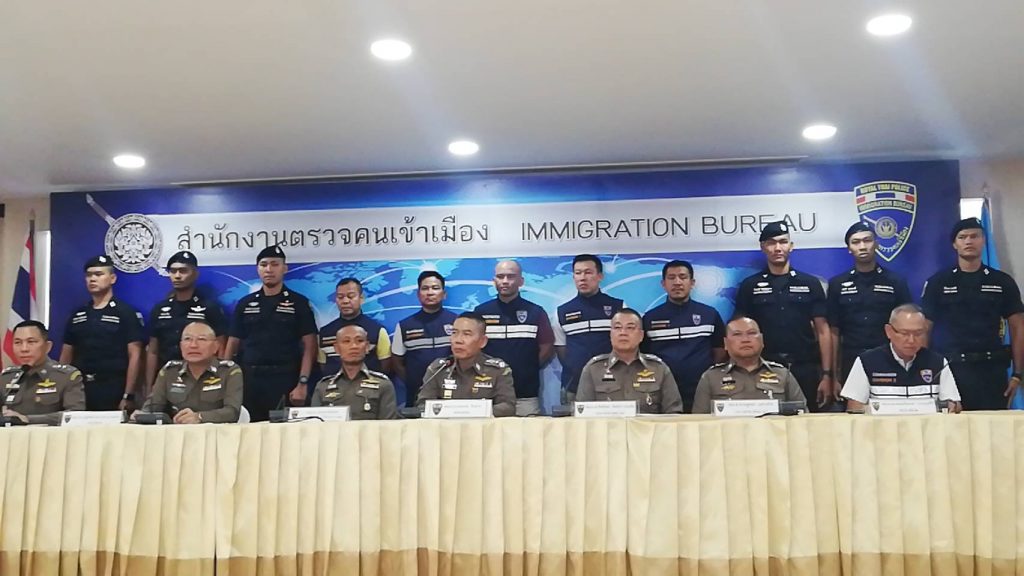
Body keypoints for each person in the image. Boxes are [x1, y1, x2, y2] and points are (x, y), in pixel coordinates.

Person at [921, 217, 1024, 410]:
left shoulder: (1002, 282)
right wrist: (924, 371)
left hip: (992, 371)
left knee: (992, 426)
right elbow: (924, 329)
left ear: (983, 241)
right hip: (951, 370)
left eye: (974, 236)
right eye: (962, 237)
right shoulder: (938, 282)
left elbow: (1018, 327)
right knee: (951, 427)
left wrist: (1018, 374)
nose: (969, 241)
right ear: (954, 244)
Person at [734, 221, 834, 411]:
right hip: (764, 368)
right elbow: (739, 331)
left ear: (791, 246)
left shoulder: (810, 283)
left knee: (807, 422)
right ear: (763, 247)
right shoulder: (750, 286)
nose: (778, 248)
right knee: (766, 421)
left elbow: (823, 331)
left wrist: (827, 375)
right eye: (771, 243)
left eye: (783, 242)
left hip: (805, 368)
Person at [224, 246, 317, 422]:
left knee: (284, 433)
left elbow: (310, 345)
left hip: (285, 379)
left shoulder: (298, 303)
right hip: (250, 380)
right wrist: (225, 381)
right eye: (264, 264)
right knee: (250, 431)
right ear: (257, 269)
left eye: (275, 264)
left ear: (285, 268)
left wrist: (302, 383)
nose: (268, 269)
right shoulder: (245, 303)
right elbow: (232, 344)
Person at [827, 222, 913, 383]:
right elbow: (834, 331)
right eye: (856, 242)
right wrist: (833, 375)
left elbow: (907, 326)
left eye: (867, 240)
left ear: (876, 244)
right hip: (851, 359)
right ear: (849, 248)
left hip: (888, 358)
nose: (862, 246)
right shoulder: (837, 284)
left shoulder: (895, 281)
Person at [59, 254, 145, 411]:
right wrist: (60, 390)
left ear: (112, 278)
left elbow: (135, 356)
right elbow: (66, 355)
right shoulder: (78, 314)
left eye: (98, 274)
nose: (92, 279)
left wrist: (128, 395)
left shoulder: (125, 312)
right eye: (89, 275)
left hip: (112, 387)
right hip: (79, 387)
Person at [841, 304, 961, 412]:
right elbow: (854, 408)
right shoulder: (867, 361)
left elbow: (954, 406)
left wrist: (952, 405)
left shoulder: (938, 362)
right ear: (888, 331)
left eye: (918, 333)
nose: (911, 340)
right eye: (904, 333)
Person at [642, 260, 726, 412]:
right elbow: (645, 356)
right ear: (663, 284)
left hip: (702, 388)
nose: (677, 282)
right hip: (662, 390)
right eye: (671, 278)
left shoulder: (709, 315)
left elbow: (720, 351)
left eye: (683, 277)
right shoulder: (650, 318)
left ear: (692, 282)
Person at [474, 260, 554, 416]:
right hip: (489, 395)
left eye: (510, 276)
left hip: (525, 395)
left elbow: (547, 346)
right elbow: (474, 348)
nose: (505, 281)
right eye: (500, 276)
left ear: (521, 281)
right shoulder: (480, 312)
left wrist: (528, 367)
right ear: (494, 281)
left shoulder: (536, 312)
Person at [145, 251, 228, 392]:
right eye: (173, 271)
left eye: (183, 271)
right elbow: (153, 351)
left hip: (200, 378)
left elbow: (220, 349)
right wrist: (149, 386)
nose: (177, 276)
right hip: (166, 379)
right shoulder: (159, 309)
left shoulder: (210, 308)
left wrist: (218, 381)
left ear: (195, 274)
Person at [576, 308, 683, 414]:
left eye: (630, 328)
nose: (623, 333)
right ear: (610, 334)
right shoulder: (593, 369)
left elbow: (674, 413)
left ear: (641, 336)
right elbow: (581, 414)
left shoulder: (659, 369)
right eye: (617, 327)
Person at [135, 321, 244, 423]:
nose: (193, 345)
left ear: (216, 346)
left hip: (216, 434)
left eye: (201, 339)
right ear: (181, 346)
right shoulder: (170, 371)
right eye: (187, 339)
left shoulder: (229, 371)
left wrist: (199, 417)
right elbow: (153, 407)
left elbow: (232, 412)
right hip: (176, 433)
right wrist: (142, 415)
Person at [692, 316, 807, 413]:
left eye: (752, 333)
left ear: (762, 340)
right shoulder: (711, 378)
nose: (745, 339)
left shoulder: (783, 375)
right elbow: (698, 423)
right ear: (725, 343)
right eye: (737, 334)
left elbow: (803, 416)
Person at [553, 254, 624, 405]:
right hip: (574, 386)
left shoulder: (619, 307)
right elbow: (562, 350)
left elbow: (627, 346)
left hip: (613, 385)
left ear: (600, 276)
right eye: (578, 273)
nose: (582, 278)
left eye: (588, 272)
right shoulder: (561, 312)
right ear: (573, 277)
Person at [417, 312, 516, 417]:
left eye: (467, 334)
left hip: (482, 427)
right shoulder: (438, 369)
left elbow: (508, 407)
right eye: (454, 333)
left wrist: (471, 411)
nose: (458, 340)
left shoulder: (497, 370)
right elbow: (422, 406)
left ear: (482, 341)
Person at [391, 271, 458, 407]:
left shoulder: (457, 322)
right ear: (418, 294)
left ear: (444, 294)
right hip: (416, 393)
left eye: (435, 288)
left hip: (452, 391)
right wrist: (412, 381)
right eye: (425, 288)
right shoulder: (405, 325)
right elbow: (397, 361)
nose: (430, 292)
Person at [1, 320, 85, 425]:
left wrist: (28, 419)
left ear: (47, 346)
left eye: (31, 342)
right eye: (18, 343)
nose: (24, 349)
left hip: (51, 435)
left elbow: (75, 415)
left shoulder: (66, 376)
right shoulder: (6, 377)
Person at [311, 325, 398, 419]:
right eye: (346, 341)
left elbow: (389, 425)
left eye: (359, 341)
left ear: (367, 347)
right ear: (336, 348)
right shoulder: (323, 387)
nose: (353, 346)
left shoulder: (383, 385)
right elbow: (314, 424)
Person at [317, 278, 392, 381]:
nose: (345, 301)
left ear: (361, 298)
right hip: (333, 388)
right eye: (340, 297)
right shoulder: (325, 332)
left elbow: (386, 366)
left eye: (351, 296)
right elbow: (323, 366)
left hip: (369, 388)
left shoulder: (377, 331)